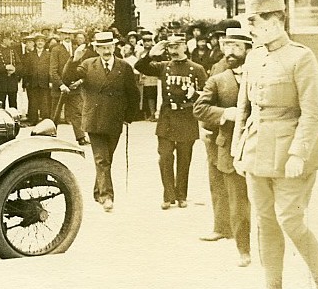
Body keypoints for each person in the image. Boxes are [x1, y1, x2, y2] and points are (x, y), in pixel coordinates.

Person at [232, 0, 318, 289]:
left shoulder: (301, 58)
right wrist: (237, 149)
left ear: (275, 23)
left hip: (290, 153)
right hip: (256, 150)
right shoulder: (253, 57)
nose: (252, 31)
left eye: (256, 25)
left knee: (290, 220)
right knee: (265, 222)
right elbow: (244, 107)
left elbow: (312, 113)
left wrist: (298, 154)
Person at [192, 28, 254, 267]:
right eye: (227, 46)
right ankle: (244, 250)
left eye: (236, 47)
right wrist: (225, 113)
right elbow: (200, 109)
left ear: (248, 49)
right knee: (238, 201)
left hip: (258, 145)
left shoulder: (260, 76)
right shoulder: (218, 79)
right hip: (229, 146)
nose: (230, 52)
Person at [66, 32, 140, 211]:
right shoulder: (87, 65)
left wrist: (129, 116)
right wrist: (73, 60)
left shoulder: (124, 67)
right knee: (101, 159)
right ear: (97, 49)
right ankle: (107, 197)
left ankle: (98, 191)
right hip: (94, 119)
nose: (107, 51)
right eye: (103, 47)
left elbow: (133, 93)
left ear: (114, 47)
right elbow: (68, 79)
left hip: (115, 120)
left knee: (107, 159)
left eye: (109, 47)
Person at [136, 34, 208, 209]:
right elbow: (140, 66)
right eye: (170, 47)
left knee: (184, 159)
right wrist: (151, 53)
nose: (174, 50)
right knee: (165, 156)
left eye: (177, 46)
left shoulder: (196, 69)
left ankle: (182, 195)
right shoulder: (163, 66)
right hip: (167, 116)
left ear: (184, 47)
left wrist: (196, 94)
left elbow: (207, 94)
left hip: (186, 116)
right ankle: (168, 195)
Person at [21, 33, 51, 124]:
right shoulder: (30, 55)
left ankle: (45, 121)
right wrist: (25, 83)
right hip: (32, 82)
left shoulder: (48, 54)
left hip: (44, 82)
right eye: (38, 41)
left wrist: (51, 81)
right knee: (33, 102)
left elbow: (51, 69)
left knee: (45, 102)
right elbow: (26, 69)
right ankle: (33, 120)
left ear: (45, 43)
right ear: (35, 43)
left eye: (42, 41)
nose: (40, 43)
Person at [50, 23, 77, 125]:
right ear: (60, 35)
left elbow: (81, 68)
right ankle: (51, 136)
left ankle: (81, 138)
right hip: (59, 88)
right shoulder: (56, 50)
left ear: (73, 35)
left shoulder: (77, 49)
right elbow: (53, 71)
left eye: (69, 34)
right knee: (55, 115)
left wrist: (78, 82)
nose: (67, 36)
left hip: (74, 88)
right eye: (65, 34)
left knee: (76, 114)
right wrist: (61, 85)